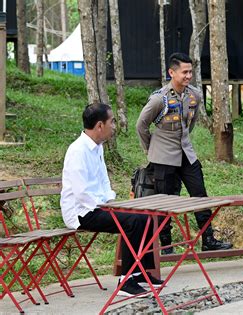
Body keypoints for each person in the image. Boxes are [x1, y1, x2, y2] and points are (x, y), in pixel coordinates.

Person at [60, 103, 163, 297]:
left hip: (99, 206)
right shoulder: (77, 151)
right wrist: (108, 208)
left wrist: (111, 201)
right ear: (100, 126)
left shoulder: (97, 147)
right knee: (131, 221)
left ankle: (141, 272)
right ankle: (126, 280)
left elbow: (103, 180)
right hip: (81, 212)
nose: (114, 126)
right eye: (112, 122)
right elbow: (81, 192)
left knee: (145, 216)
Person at [136, 52, 232, 254]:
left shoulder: (194, 95)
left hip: (187, 154)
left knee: (200, 195)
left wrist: (184, 139)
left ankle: (208, 240)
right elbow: (141, 126)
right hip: (163, 156)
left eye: (191, 72)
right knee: (165, 199)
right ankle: (166, 246)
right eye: (184, 72)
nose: (188, 76)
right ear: (172, 72)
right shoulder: (159, 99)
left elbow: (191, 122)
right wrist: (150, 150)